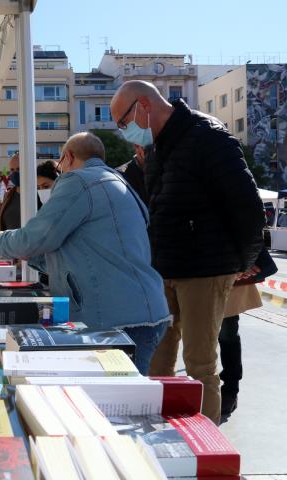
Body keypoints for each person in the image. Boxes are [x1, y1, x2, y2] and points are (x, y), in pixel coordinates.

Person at [110, 80, 264, 424]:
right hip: (167, 267)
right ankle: (161, 436)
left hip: (205, 269)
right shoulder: (155, 147)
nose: (124, 132)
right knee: (159, 360)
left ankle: (205, 450)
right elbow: (157, 207)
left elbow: (248, 206)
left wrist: (242, 261)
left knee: (200, 364)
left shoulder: (208, 136)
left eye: (123, 123)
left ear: (144, 106)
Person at [0, 132, 170, 375]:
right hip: (148, 310)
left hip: (112, 318)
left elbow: (36, 237)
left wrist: (0, 239)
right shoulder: (119, 181)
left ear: (68, 157)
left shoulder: (77, 181)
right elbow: (85, 252)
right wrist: (31, 257)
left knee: (109, 405)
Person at [219, 284, 261, 422]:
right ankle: (195, 387)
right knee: (196, 336)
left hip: (227, 276)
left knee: (227, 333)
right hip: (190, 275)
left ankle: (231, 390)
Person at [0, 153, 22, 231]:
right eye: (12, 170)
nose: (15, 173)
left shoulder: (37, 195)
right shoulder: (8, 195)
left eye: (18, 169)